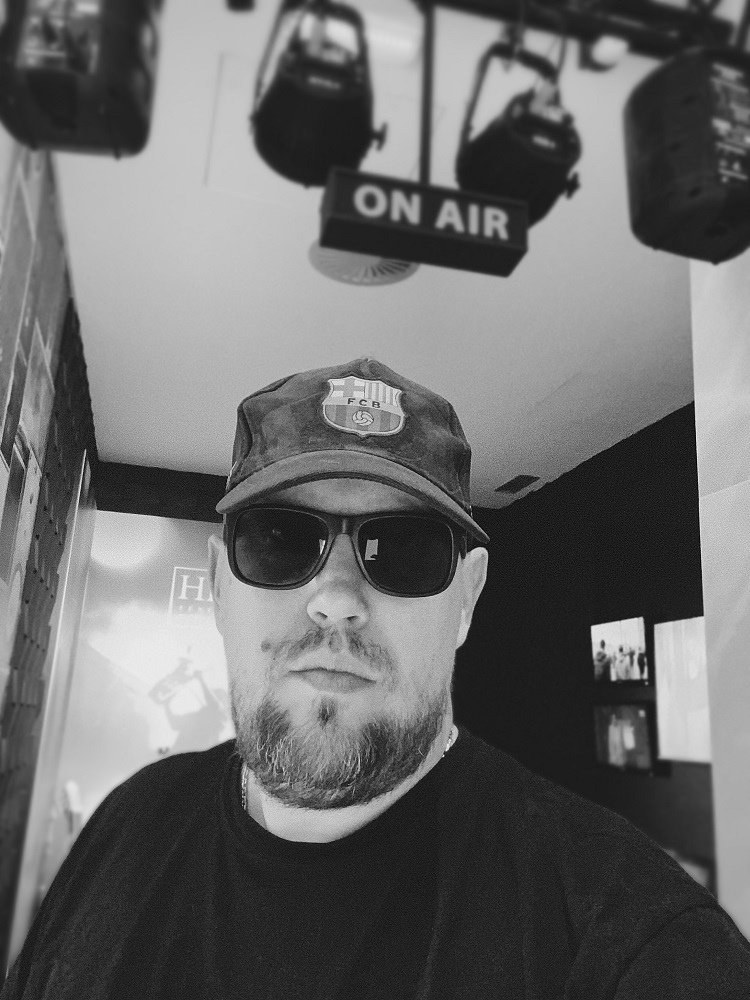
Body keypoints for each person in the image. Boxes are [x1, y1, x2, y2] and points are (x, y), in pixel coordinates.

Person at [3, 357, 750, 999]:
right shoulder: (130, 822)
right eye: (280, 540)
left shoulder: (626, 939)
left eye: (403, 549)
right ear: (221, 586)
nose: (335, 599)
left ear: (467, 598)